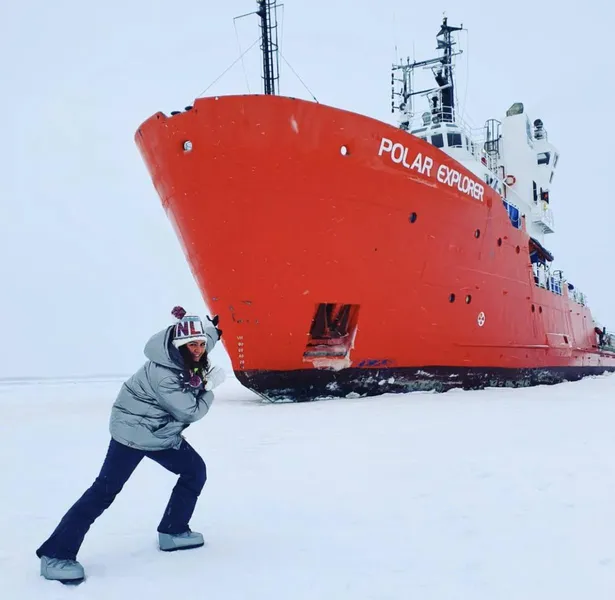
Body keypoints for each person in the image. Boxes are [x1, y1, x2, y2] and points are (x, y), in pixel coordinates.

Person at [35, 306, 226, 584]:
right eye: (192, 345)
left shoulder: (186, 351)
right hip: (133, 432)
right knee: (104, 491)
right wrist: (208, 387)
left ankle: (173, 531)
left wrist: (213, 333)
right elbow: (190, 411)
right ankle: (55, 554)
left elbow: (203, 339)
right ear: (179, 345)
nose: (198, 350)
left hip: (158, 431)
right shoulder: (165, 373)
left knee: (194, 471)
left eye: (201, 344)